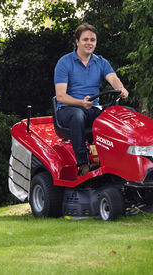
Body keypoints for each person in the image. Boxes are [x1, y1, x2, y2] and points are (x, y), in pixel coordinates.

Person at [53, 23, 129, 176]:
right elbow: (60, 96)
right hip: (67, 111)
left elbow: (113, 78)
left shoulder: (101, 62)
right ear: (77, 42)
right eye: (85, 39)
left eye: (92, 40)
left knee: (121, 114)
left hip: (91, 109)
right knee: (78, 115)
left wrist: (121, 88)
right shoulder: (64, 62)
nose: (89, 43)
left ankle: (122, 159)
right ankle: (83, 164)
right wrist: (81, 102)